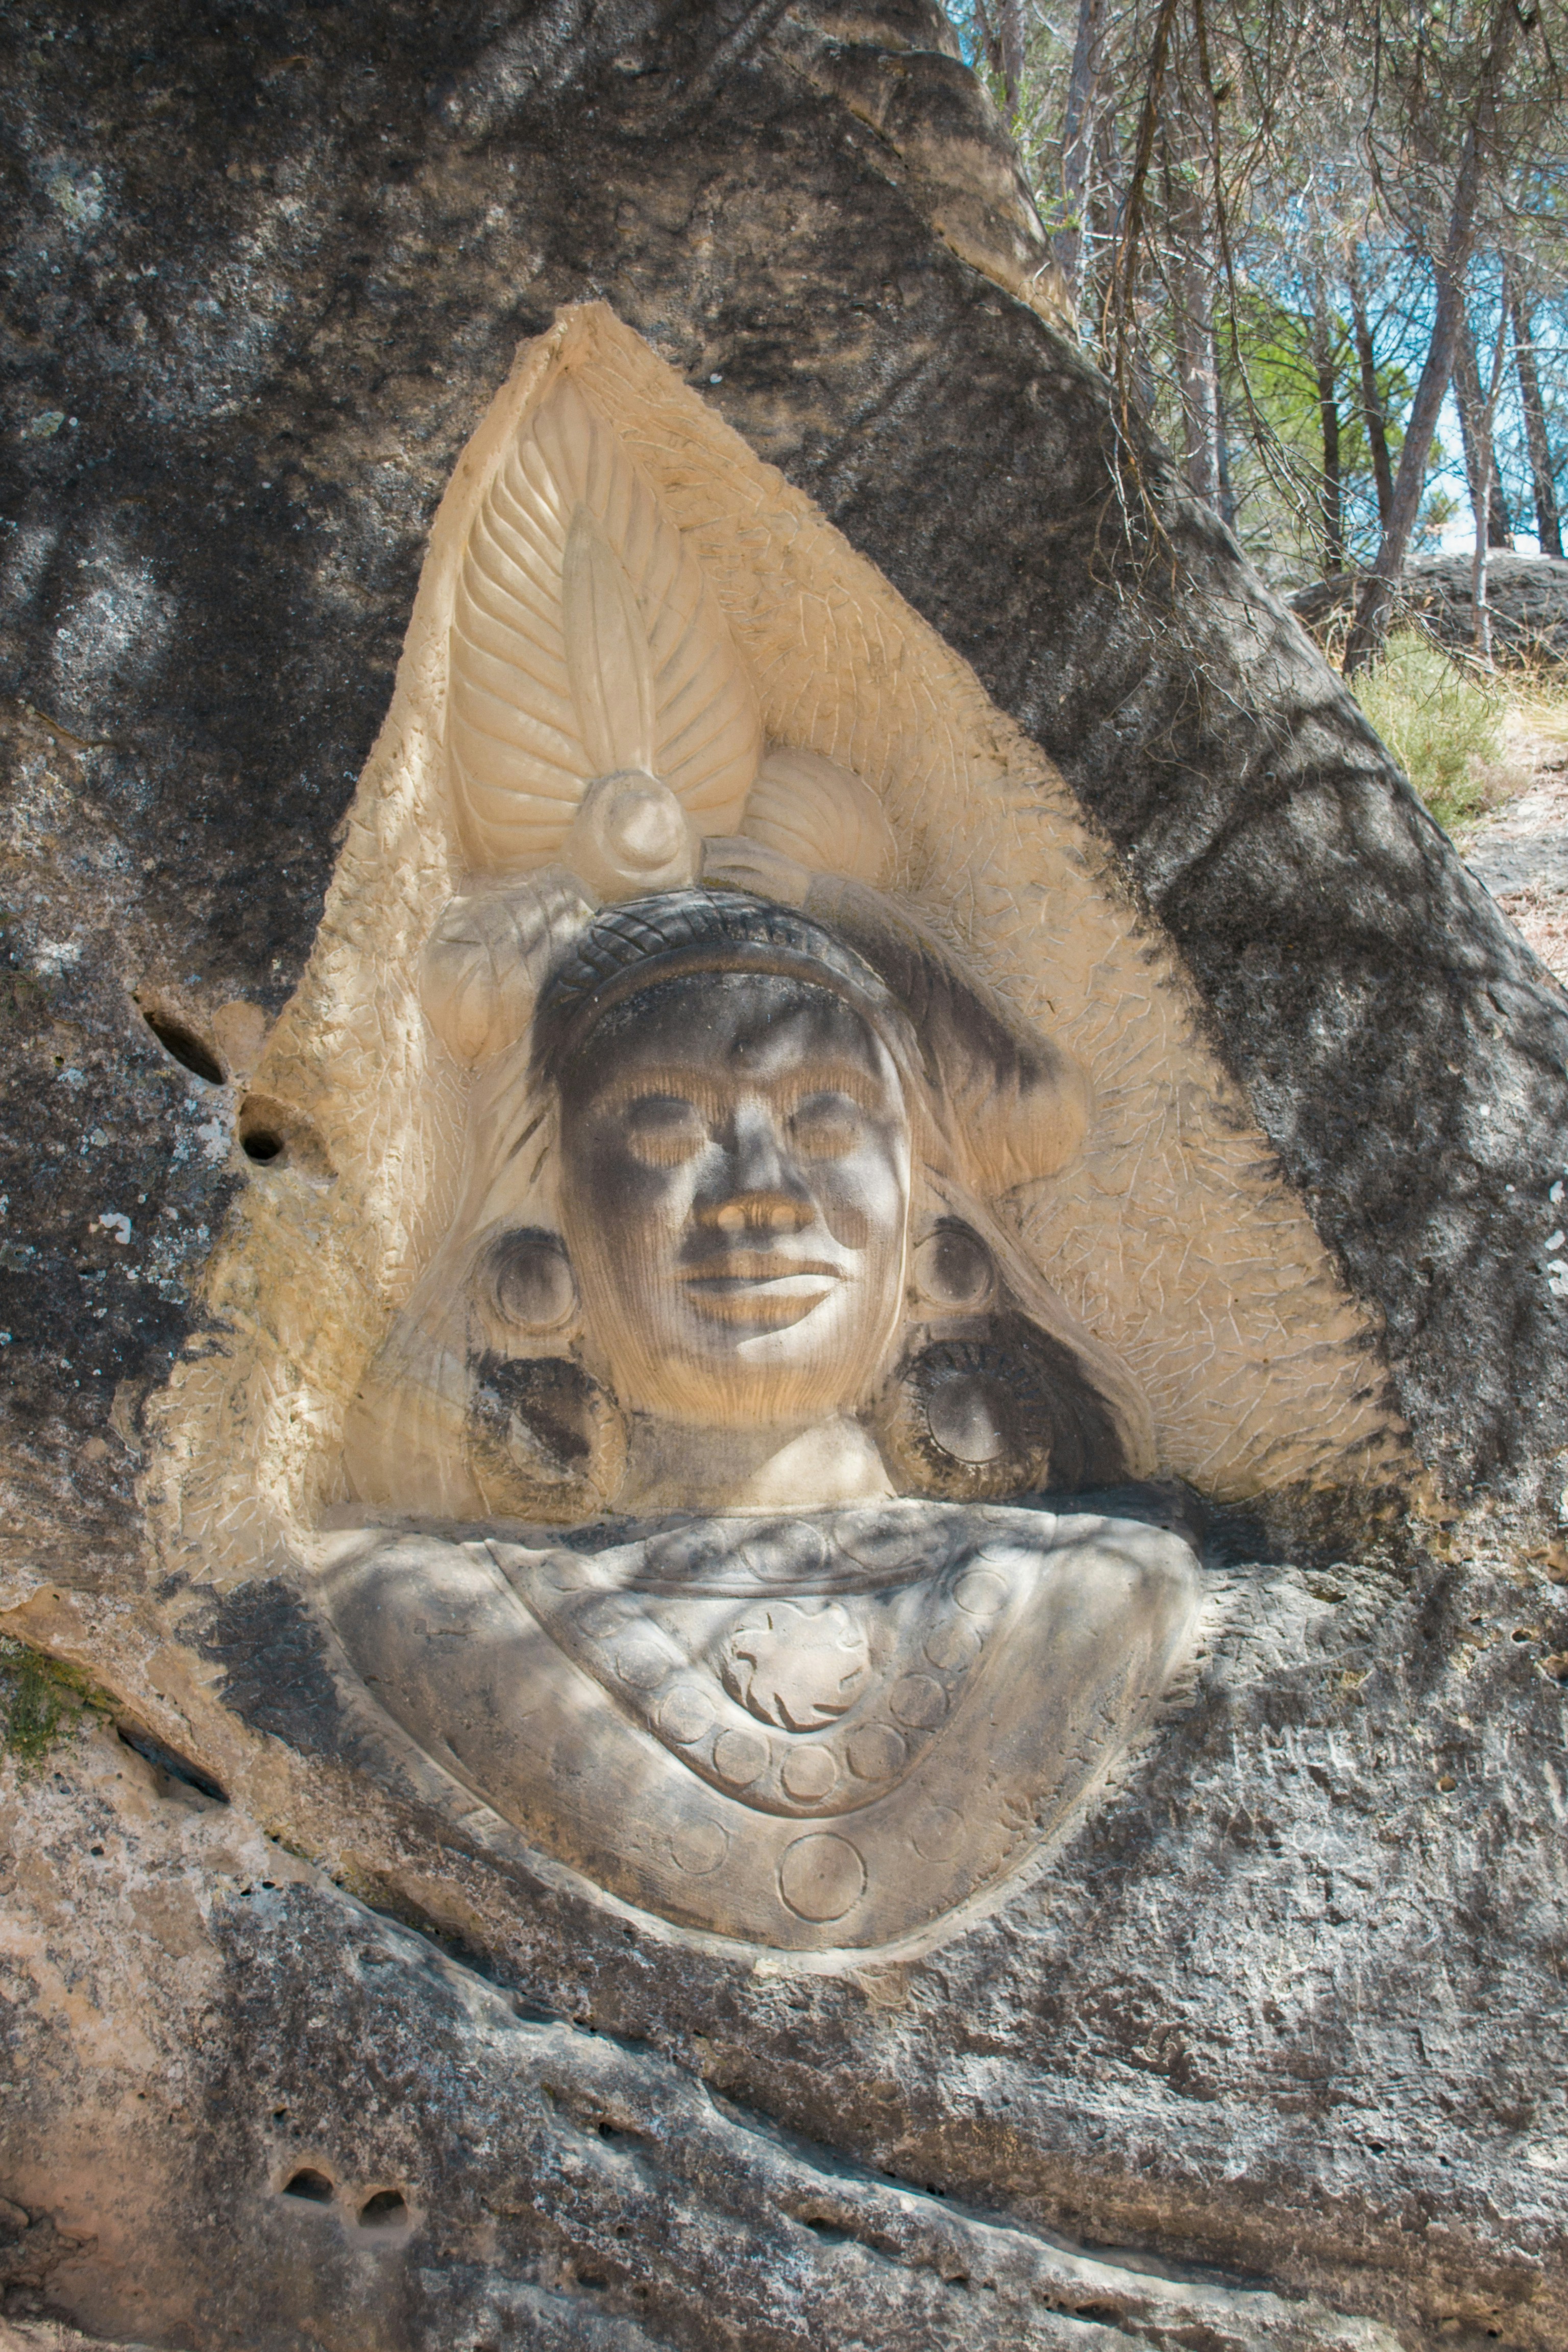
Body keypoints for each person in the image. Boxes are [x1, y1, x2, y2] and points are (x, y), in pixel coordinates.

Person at [320, 888, 1204, 1955]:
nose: (758, 1194)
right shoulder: (422, 1616)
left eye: (824, 1122)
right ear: (552, 1205)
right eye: (663, 1126)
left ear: (923, 1204)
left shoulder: (1101, 1593)